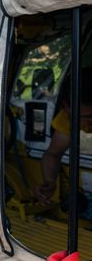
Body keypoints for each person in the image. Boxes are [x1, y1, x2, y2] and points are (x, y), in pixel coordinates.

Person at [35, 69, 92, 207]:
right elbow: (53, 155)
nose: (71, 119)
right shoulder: (68, 117)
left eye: (84, 117)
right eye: (68, 111)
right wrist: (49, 181)